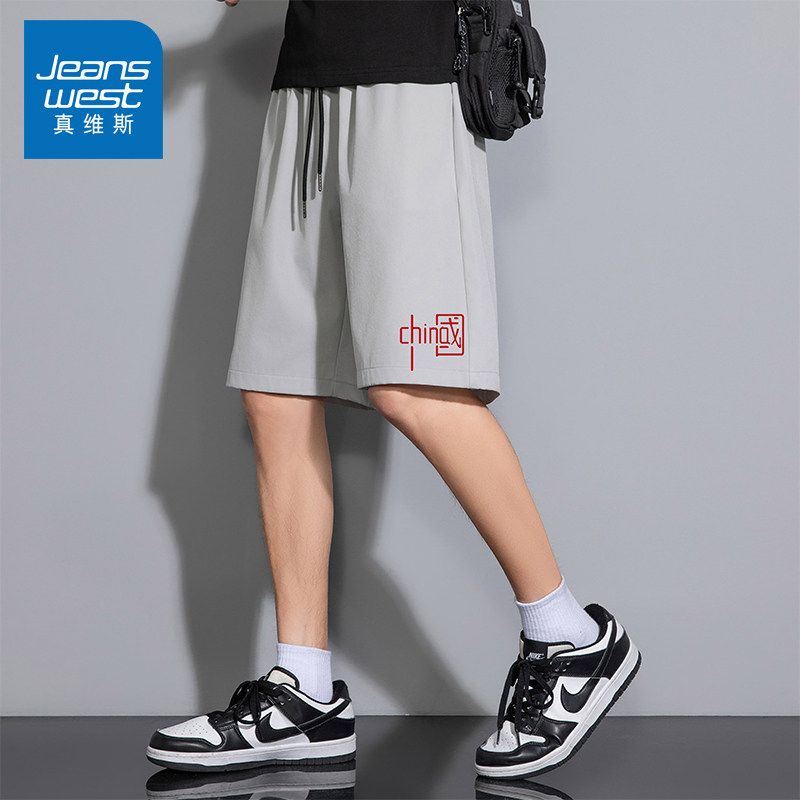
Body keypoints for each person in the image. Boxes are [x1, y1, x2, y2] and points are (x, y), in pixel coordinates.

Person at [146, 0, 642, 780]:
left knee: (412, 379)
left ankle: (569, 636)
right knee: (278, 391)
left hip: (410, 75)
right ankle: (304, 689)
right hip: (305, 89)